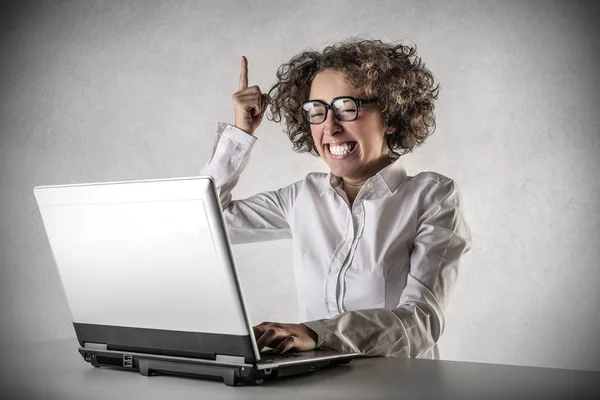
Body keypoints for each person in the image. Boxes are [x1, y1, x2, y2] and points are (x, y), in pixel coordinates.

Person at [200, 39, 472, 359]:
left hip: (400, 386)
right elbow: (203, 224)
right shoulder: (301, 198)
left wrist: (317, 333)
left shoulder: (432, 197)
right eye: (317, 111)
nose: (330, 126)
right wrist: (240, 134)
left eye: (346, 107)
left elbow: (421, 322)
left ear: (391, 116)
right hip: (314, 382)